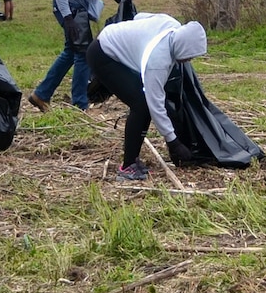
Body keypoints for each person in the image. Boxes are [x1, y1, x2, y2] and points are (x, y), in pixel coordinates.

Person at [87, 12, 209, 180]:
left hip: (111, 38)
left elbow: (140, 17)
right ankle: (127, 167)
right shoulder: (158, 61)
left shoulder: (171, 24)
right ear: (183, 47)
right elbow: (155, 105)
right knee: (141, 105)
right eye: (190, 55)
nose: (189, 60)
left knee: (141, 101)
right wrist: (173, 142)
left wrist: (133, 41)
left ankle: (132, 161)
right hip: (103, 54)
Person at [30, 0, 126, 112]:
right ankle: (80, 104)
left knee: (71, 52)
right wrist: (67, 18)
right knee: (83, 53)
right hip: (67, 7)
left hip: (79, 10)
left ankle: (41, 95)